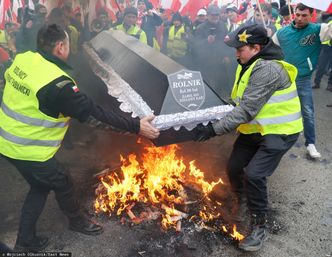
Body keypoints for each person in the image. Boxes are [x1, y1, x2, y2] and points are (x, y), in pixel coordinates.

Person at [0, 24, 159, 252]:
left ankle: (25, 240)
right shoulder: (58, 84)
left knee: (40, 185)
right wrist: (137, 126)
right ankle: (77, 221)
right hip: (28, 148)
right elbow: (94, 115)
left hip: (6, 141)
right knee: (62, 180)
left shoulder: (23, 59)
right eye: (68, 44)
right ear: (60, 46)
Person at [195, 24, 303, 251]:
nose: (235, 53)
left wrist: (214, 130)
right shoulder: (246, 64)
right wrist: (209, 114)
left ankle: (259, 225)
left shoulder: (268, 70)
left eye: (240, 49)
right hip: (255, 130)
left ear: (256, 47)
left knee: (254, 174)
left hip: (280, 132)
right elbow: (238, 101)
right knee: (234, 167)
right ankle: (243, 201)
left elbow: (246, 110)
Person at [272, 3, 332, 159]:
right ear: (294, 13)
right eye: (297, 14)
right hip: (284, 80)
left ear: (311, 15)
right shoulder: (282, 33)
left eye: (304, 15)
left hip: (303, 79)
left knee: (308, 112)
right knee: (279, 110)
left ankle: (310, 143)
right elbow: (270, 52)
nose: (299, 18)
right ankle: (276, 142)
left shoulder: (319, 29)